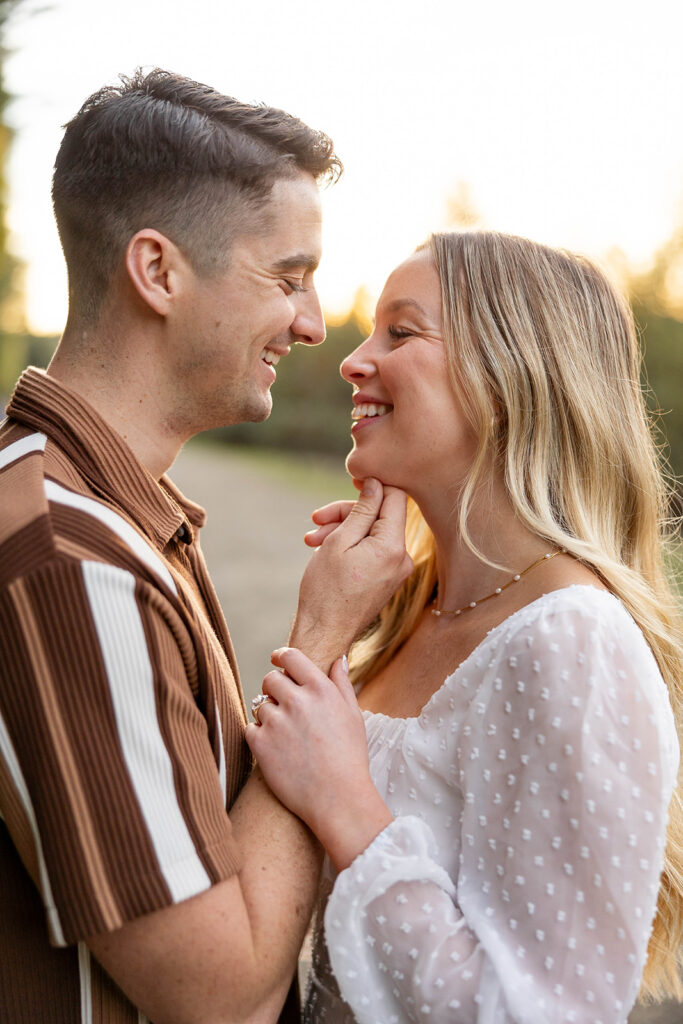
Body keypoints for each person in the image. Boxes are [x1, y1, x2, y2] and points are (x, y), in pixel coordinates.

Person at [0, 69, 412, 1023]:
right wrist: (320, 634)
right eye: (288, 277)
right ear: (157, 271)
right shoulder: (68, 562)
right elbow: (221, 997)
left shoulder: (95, 511)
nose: (312, 324)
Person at [248, 230, 683, 1023]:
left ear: (510, 376)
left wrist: (347, 807)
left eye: (401, 332)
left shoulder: (571, 644)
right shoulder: (411, 612)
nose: (352, 359)